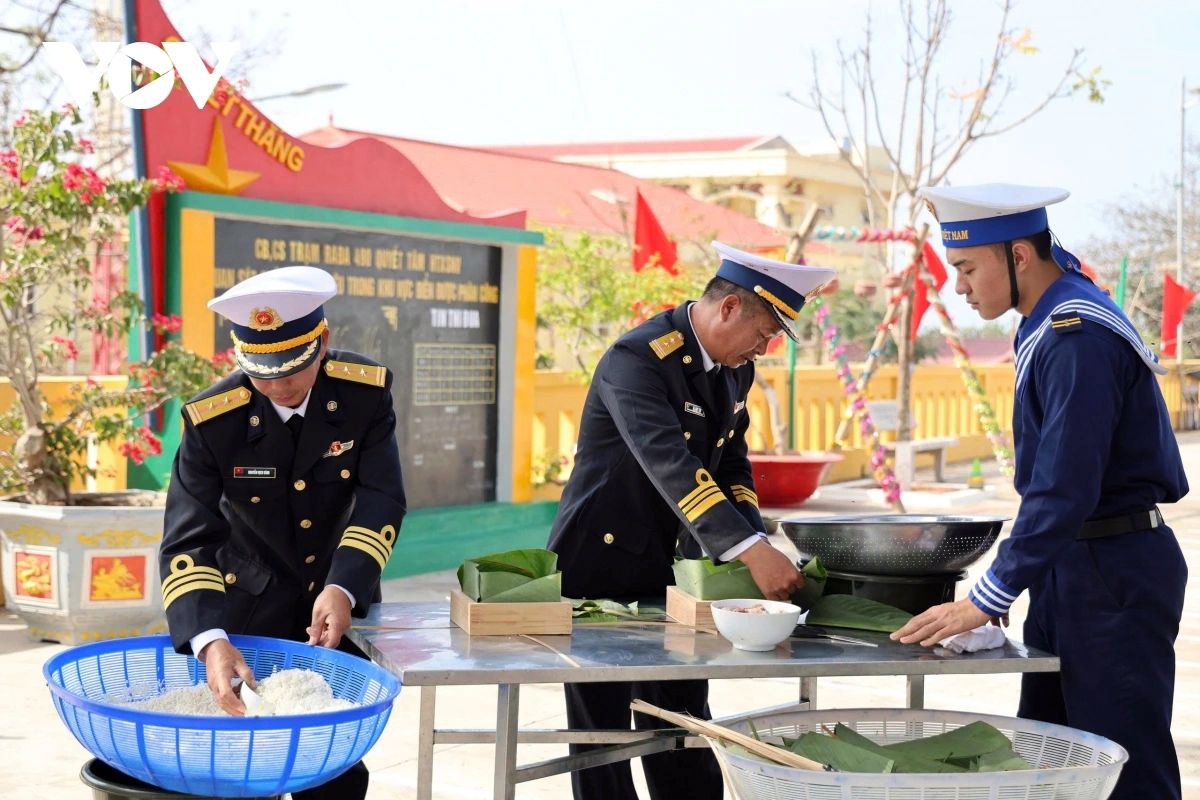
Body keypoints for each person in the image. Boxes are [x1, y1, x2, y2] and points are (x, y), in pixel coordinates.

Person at [894, 184, 1188, 800]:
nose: (961, 286)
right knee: (1053, 759)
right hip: (1074, 562)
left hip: (1112, 568)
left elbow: (1063, 487)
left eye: (968, 268)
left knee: (1122, 765)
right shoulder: (1052, 314)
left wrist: (989, 594)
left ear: (1020, 257)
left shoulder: (1076, 334)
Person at [547, 241, 835, 800]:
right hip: (597, 567)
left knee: (682, 718)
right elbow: (670, 464)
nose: (765, 348)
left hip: (675, 566)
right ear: (729, 308)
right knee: (601, 736)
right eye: (765, 333)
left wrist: (751, 532)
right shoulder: (636, 359)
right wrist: (750, 551)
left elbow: (731, 461)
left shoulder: (733, 372)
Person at [158, 265, 406, 800]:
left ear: (322, 343)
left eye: (291, 370)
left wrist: (344, 586)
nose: (276, 386)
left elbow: (382, 497)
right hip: (247, 609)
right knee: (245, 763)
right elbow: (188, 538)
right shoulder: (212, 419)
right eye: (260, 373)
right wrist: (209, 641)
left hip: (340, 604)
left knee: (334, 766)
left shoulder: (365, 395)